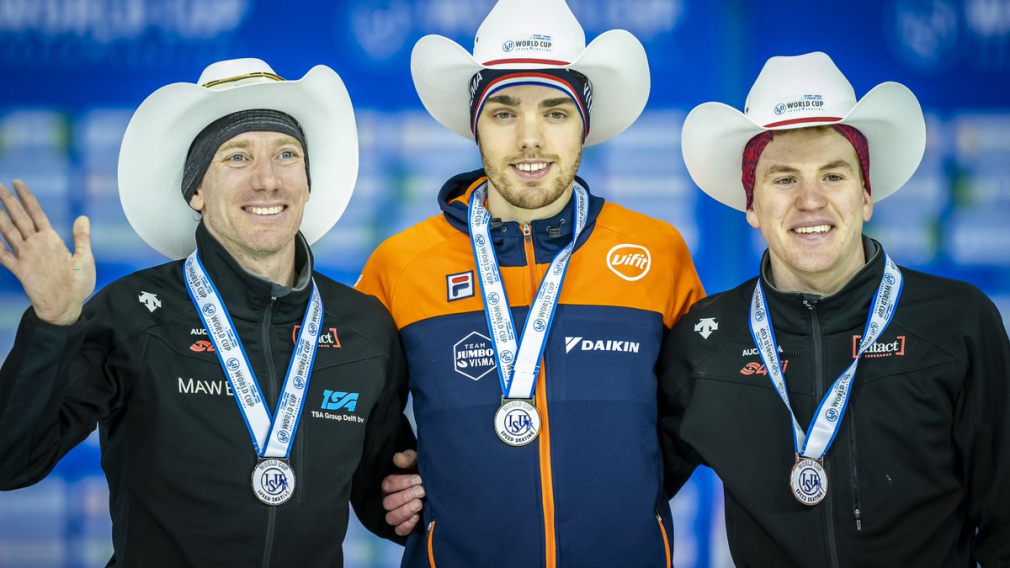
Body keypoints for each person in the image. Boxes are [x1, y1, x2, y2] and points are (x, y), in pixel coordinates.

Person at [0, 58, 417, 567]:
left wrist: (406, 501)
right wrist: (53, 325)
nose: (267, 181)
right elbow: (10, 461)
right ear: (196, 191)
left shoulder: (363, 327)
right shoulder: (133, 315)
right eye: (237, 158)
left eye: (286, 154)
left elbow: (385, 495)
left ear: (307, 182)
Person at [357, 0, 705, 566]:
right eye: (503, 113)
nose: (530, 139)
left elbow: (692, 415)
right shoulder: (401, 263)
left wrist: (621, 493)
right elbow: (354, 412)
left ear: (583, 127)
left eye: (555, 112)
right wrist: (387, 489)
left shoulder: (656, 252)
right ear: (476, 126)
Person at [659, 51, 1010, 567]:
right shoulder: (707, 341)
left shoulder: (958, 323)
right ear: (751, 206)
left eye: (833, 175)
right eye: (783, 179)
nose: (810, 201)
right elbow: (621, 498)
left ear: (866, 195)